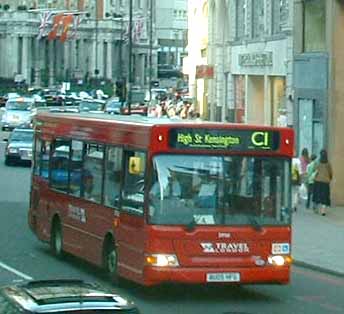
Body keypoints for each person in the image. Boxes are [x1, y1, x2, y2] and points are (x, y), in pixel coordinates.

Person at [313, 149, 333, 216]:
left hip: (318, 181)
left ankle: (316, 208)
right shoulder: (328, 164)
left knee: (317, 195)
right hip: (325, 182)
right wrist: (329, 178)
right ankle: (323, 211)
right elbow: (331, 173)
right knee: (325, 196)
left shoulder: (318, 163)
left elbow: (315, 171)